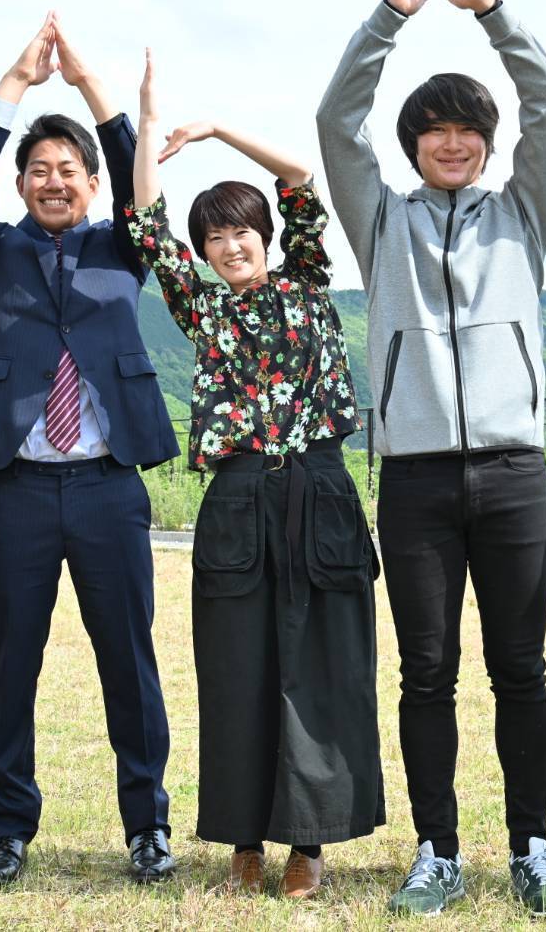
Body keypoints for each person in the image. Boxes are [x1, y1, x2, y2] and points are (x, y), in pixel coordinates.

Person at [315, 0, 546, 917]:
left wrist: (490, 10)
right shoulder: (380, 220)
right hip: (416, 479)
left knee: (521, 670)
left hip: (513, 473)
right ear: (413, 144)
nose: (453, 142)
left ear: (489, 142)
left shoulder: (523, 212)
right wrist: (390, 16)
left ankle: (532, 847)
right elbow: (334, 119)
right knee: (426, 673)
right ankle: (436, 850)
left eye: (468, 128)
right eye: (435, 130)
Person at [125, 50, 384, 899]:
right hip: (237, 494)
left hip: (319, 486)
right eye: (214, 236)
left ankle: (308, 841)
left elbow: (300, 176)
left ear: (265, 236)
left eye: (241, 230)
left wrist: (218, 130)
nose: (229, 244)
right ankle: (243, 837)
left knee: (320, 664)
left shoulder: (307, 281)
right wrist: (150, 124)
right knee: (237, 665)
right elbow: (145, 221)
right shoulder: (200, 306)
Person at [0, 14, 180, 888]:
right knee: (10, 663)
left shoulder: (125, 244)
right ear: (22, 184)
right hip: (15, 488)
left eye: (67, 170)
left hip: (108, 486)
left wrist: (89, 86)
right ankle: (7, 827)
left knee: (129, 660)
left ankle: (146, 825)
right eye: (38, 170)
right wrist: (14, 81)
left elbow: (135, 176)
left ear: (90, 183)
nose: (53, 181)